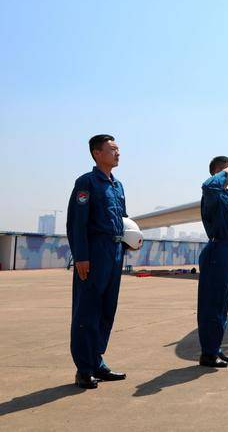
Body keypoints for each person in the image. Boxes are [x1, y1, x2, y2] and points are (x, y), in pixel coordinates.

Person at [67, 134, 128, 389]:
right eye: (112, 149)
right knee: (88, 310)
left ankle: (97, 361)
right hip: (94, 252)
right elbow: (76, 223)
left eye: (118, 149)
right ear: (97, 153)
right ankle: (83, 368)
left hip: (115, 251)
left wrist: (131, 239)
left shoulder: (117, 185)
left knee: (106, 310)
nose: (118, 153)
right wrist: (81, 256)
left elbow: (124, 219)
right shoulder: (86, 183)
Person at [197, 156, 228, 367]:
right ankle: (207, 353)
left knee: (222, 305)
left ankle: (215, 347)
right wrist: (223, 172)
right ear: (219, 171)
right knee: (212, 304)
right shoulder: (212, 192)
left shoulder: (226, 195)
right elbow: (208, 185)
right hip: (217, 252)